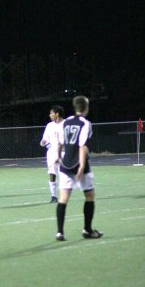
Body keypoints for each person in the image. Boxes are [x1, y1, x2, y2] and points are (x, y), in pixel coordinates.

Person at [55, 95, 103, 241]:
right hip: (79, 163)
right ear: (86, 108)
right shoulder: (85, 123)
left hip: (65, 163)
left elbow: (61, 141)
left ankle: (60, 232)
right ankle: (87, 230)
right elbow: (82, 145)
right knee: (89, 195)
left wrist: (58, 155)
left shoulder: (66, 122)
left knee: (63, 198)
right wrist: (82, 165)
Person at [40, 105, 64, 203]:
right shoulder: (49, 125)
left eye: (51, 113)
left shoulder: (66, 124)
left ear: (57, 114)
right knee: (52, 173)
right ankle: (53, 196)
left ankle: (64, 194)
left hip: (63, 152)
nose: (50, 115)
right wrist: (43, 142)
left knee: (63, 174)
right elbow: (45, 138)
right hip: (51, 153)